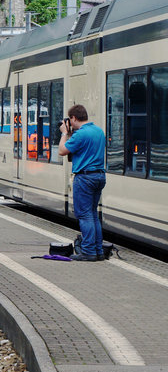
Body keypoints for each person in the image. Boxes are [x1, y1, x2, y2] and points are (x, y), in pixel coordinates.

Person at [57, 104, 107, 261]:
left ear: (73, 118)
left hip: (85, 177)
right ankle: (98, 250)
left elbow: (62, 150)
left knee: (84, 215)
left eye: (70, 120)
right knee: (92, 214)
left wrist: (64, 133)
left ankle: (88, 251)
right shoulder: (99, 131)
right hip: (99, 176)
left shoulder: (80, 134)